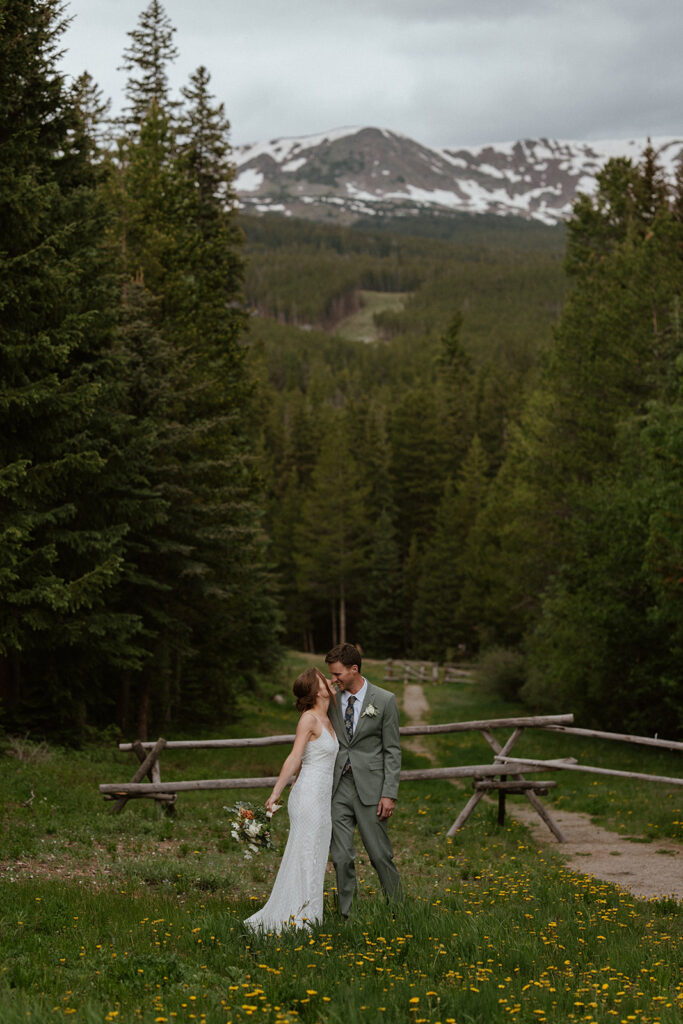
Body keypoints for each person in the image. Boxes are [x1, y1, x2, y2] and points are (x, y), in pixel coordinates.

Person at [244, 667, 338, 933]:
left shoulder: (328, 718)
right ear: (316, 690)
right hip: (308, 797)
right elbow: (295, 757)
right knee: (306, 855)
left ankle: (308, 916)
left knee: (316, 856)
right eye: (325, 680)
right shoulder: (308, 719)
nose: (330, 681)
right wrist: (276, 792)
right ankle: (298, 920)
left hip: (322, 800)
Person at [325, 642, 402, 918]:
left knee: (380, 856)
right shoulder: (330, 698)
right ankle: (349, 916)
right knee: (342, 857)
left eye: (337, 674)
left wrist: (389, 793)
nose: (333, 680)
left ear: (354, 669)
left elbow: (392, 750)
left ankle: (398, 911)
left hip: (372, 790)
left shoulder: (384, 700)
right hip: (337, 788)